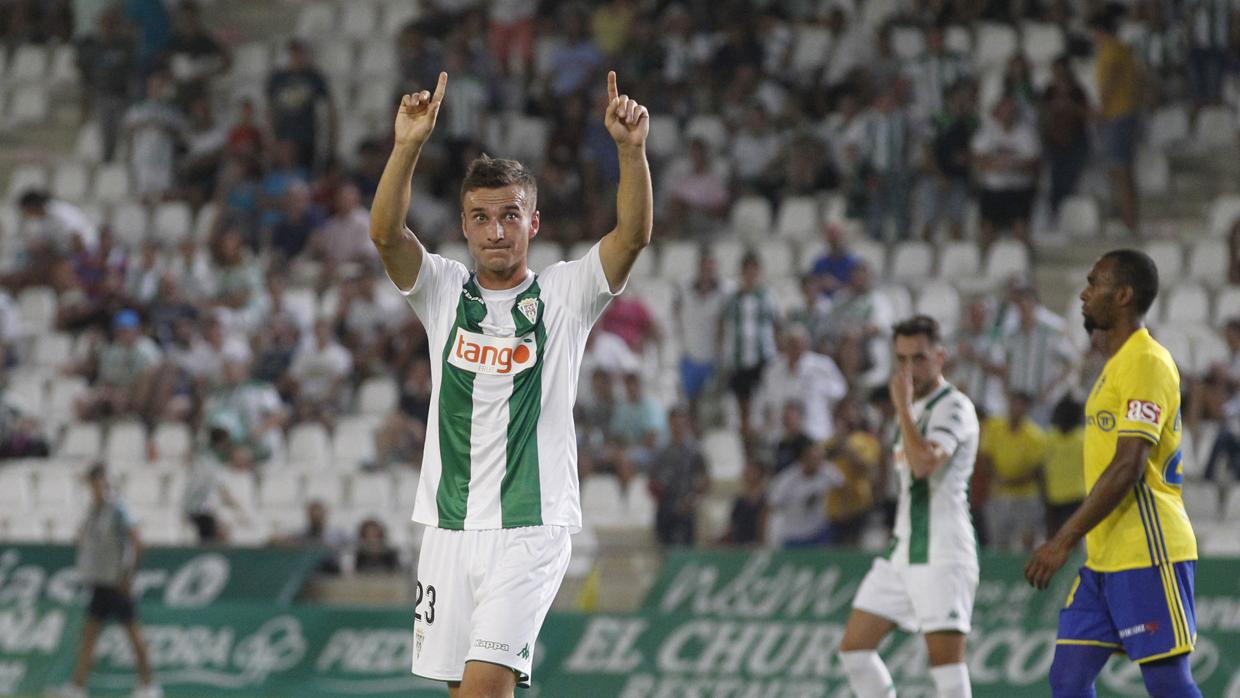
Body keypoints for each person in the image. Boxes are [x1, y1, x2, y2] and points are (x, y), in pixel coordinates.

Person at [368, 69, 651, 696]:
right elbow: (386, 235)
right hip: (448, 528)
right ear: (465, 227)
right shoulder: (443, 292)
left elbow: (631, 237)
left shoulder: (564, 294)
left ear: (534, 224)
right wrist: (408, 144)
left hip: (531, 526)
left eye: (510, 216)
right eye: (481, 217)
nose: (496, 231)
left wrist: (630, 153)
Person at [1026, 250, 1201, 697]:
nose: (1084, 294)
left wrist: (1061, 541)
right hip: (1105, 556)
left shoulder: (1146, 362)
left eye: (1094, 283)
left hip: (1148, 547)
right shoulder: (1116, 365)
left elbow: (1128, 465)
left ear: (1123, 296)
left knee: (1166, 682)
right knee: (1068, 680)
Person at [839, 315, 980, 698]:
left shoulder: (954, 407)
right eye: (900, 359)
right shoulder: (914, 409)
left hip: (943, 550)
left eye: (918, 358)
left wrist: (900, 406)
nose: (909, 369)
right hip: (904, 549)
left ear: (940, 356)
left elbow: (924, 464)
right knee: (855, 650)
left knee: (948, 672)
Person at [57, 464, 162, 698]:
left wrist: (129, 576)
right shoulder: (93, 511)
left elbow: (139, 542)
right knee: (89, 635)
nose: (94, 488)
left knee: (134, 635)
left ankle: (149, 685)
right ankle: (78, 686)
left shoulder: (119, 509)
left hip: (117, 583)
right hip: (100, 582)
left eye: (96, 483)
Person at [978, 391, 1048, 551]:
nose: (1016, 408)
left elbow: (1036, 471)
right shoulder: (994, 428)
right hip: (998, 495)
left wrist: (1011, 482)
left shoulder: (1035, 436)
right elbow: (985, 458)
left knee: (1024, 543)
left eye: (1021, 405)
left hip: (1025, 497)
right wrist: (996, 478)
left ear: (1027, 409)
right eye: (1014, 403)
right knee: (997, 540)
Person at [766, 440, 842, 548]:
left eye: (821, 458)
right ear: (804, 460)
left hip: (819, 531)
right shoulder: (787, 479)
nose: (819, 463)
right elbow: (772, 504)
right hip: (794, 534)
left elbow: (843, 488)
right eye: (815, 459)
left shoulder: (827, 471)